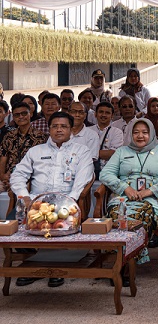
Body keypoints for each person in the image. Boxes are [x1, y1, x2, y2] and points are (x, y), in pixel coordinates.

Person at [11, 111, 94, 288]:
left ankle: (52, 268)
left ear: (71, 129)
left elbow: (84, 177)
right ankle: (36, 264)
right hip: (36, 201)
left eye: (63, 126)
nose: (59, 130)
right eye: (55, 126)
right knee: (15, 221)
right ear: (48, 129)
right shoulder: (36, 151)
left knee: (59, 223)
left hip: (66, 201)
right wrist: (24, 196)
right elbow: (17, 175)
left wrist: (70, 201)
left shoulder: (81, 151)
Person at [100, 119, 158, 264]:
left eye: (145, 132)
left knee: (140, 216)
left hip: (152, 199)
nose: (140, 136)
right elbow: (105, 174)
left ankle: (126, 261)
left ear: (151, 134)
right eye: (136, 132)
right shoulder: (121, 151)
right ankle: (127, 258)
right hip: (122, 197)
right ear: (131, 134)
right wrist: (125, 188)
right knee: (119, 215)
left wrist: (151, 190)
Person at [0, 102, 48, 192]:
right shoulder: (9, 136)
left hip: (32, 177)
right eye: (17, 115)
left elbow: (44, 163)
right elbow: (3, 157)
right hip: (10, 176)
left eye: (24, 113)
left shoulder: (42, 137)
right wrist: (3, 176)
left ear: (31, 114)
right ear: (13, 117)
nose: (21, 117)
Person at [90, 101, 124, 174]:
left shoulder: (117, 132)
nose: (104, 115)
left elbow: (113, 154)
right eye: (101, 112)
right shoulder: (88, 131)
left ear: (112, 116)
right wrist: (103, 153)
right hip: (89, 171)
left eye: (107, 113)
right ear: (95, 114)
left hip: (109, 171)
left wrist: (89, 153)